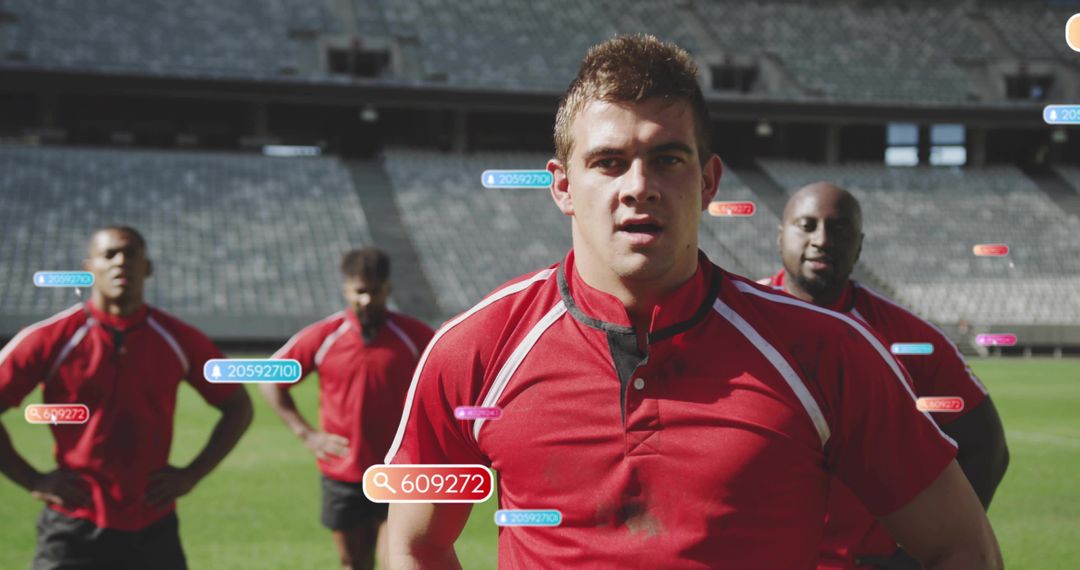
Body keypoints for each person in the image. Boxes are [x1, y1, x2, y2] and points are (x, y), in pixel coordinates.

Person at [384, 34, 1002, 569]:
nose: (639, 187)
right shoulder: (475, 352)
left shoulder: (823, 351)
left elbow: (961, 547)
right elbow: (413, 544)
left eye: (666, 159)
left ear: (708, 181)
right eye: (609, 162)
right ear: (564, 186)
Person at [760, 182, 1009, 570]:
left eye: (840, 229)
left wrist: (914, 554)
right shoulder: (737, 322)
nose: (822, 240)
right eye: (807, 225)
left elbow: (986, 446)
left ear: (859, 246)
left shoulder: (912, 338)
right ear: (780, 238)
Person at [0, 225, 253, 570]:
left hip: (152, 524)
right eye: (109, 255)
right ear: (88, 268)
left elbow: (238, 406)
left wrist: (192, 474)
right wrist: (33, 479)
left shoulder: (178, 339)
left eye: (131, 254)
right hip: (74, 524)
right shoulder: (51, 339)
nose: (121, 262)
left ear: (147, 268)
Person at [261, 247, 434, 570]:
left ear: (388, 289)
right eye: (360, 292)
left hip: (398, 472)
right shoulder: (325, 336)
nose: (367, 300)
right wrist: (307, 435)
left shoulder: (416, 336)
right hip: (343, 472)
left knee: (399, 561)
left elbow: (451, 386)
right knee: (352, 562)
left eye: (375, 291)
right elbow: (270, 380)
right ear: (346, 289)